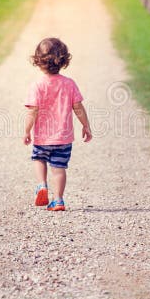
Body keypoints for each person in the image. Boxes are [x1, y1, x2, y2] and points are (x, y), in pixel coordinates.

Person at [23, 37, 92, 211]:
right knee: (59, 169)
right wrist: (86, 125)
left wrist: (27, 131)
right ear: (63, 60)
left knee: (39, 159)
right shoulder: (69, 84)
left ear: (38, 61)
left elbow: (32, 111)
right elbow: (78, 107)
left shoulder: (37, 85)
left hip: (42, 138)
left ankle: (42, 185)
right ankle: (59, 200)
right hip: (63, 138)